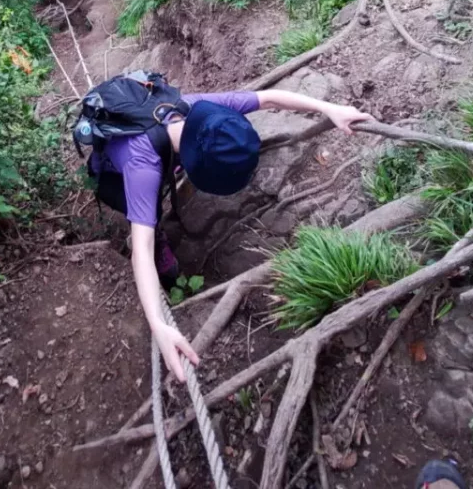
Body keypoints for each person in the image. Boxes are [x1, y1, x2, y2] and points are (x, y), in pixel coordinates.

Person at [98, 85, 373, 381]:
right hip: (117, 166)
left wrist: (329, 109)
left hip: (147, 123)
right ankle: (161, 238)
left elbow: (267, 98)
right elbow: (141, 248)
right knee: (144, 214)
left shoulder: (197, 109)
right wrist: (157, 323)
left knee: (151, 196)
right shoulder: (142, 169)